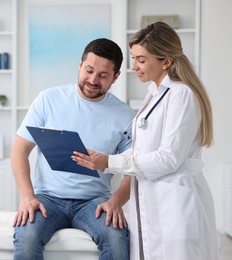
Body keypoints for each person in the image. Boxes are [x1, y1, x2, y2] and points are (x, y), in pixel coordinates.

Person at [72, 22, 219, 260]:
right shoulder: (155, 93)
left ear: (166, 62)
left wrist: (109, 161)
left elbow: (168, 159)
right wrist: (104, 160)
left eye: (141, 60)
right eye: (133, 58)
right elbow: (143, 151)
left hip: (175, 203)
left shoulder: (181, 95)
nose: (133, 67)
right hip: (152, 201)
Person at [10, 38, 135, 260]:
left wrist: (116, 202)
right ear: (80, 65)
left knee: (116, 239)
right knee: (27, 237)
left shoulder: (125, 115)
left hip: (95, 201)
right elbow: (20, 150)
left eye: (103, 75)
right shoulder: (48, 99)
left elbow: (134, 167)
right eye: (89, 70)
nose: (93, 80)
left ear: (115, 77)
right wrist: (28, 197)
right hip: (47, 197)